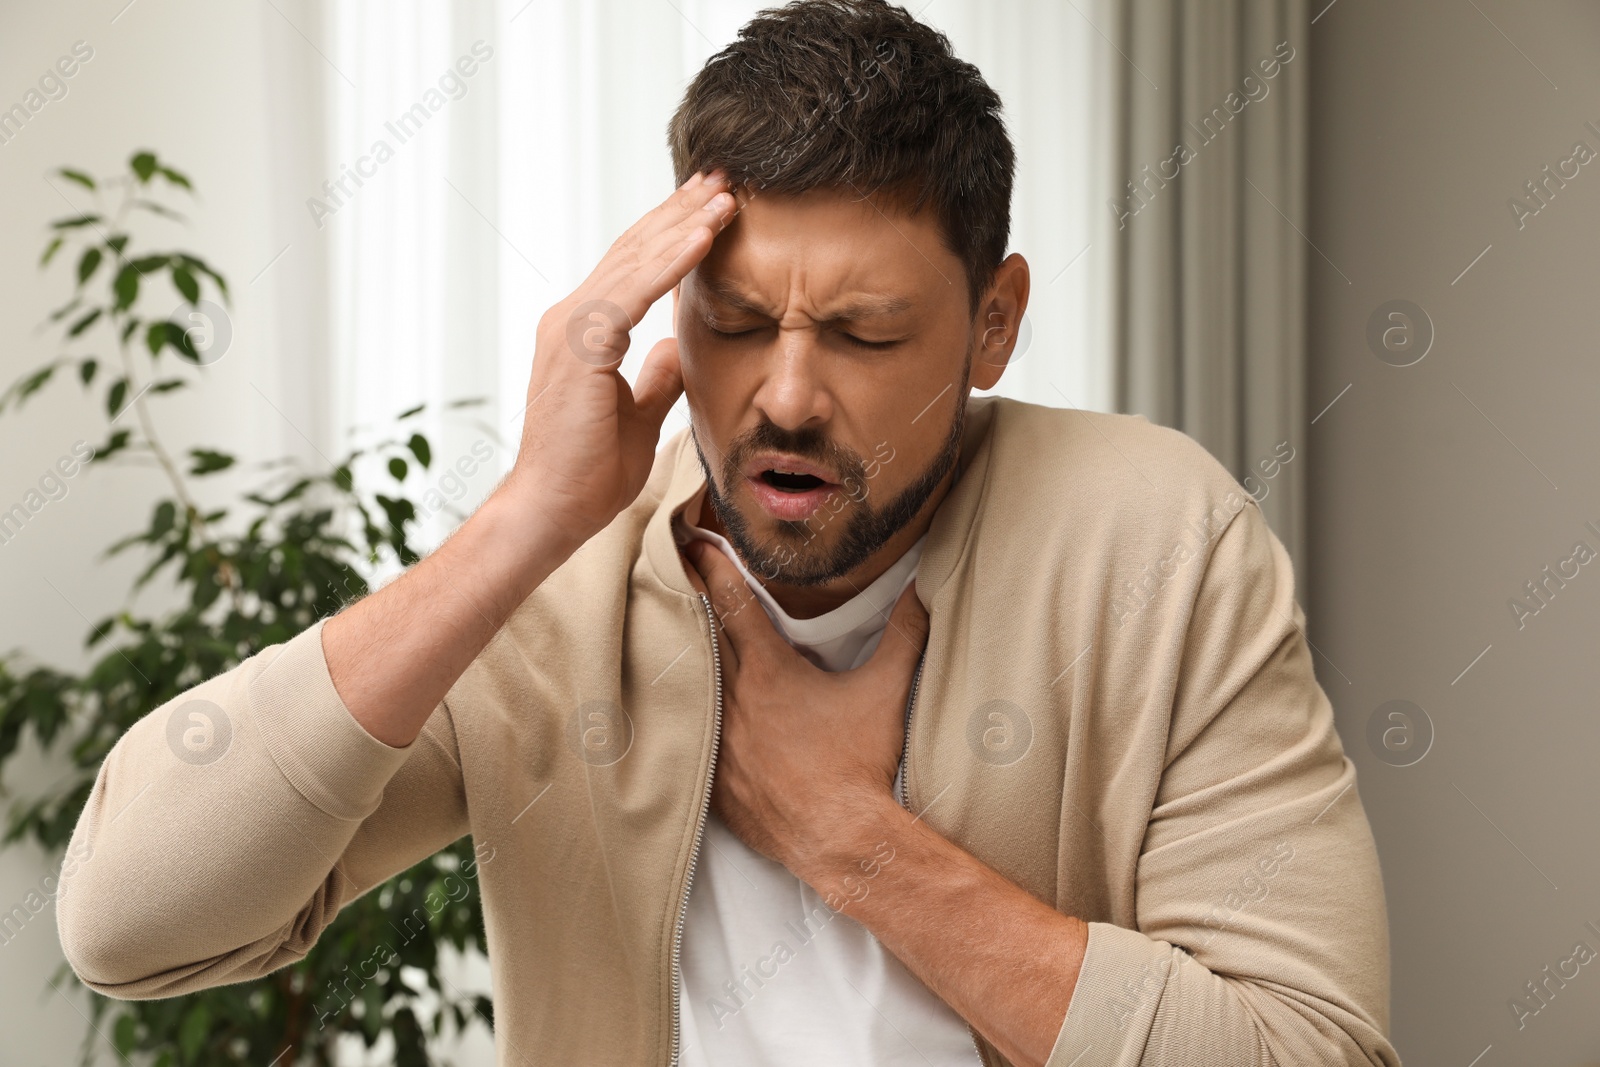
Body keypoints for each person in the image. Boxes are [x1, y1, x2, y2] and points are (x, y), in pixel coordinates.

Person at [56, 2, 1399, 1064]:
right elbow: (128, 923)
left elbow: (1307, 1049)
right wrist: (524, 520)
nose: (790, 396)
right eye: (738, 323)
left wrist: (848, 835)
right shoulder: (566, 570)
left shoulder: (1161, 539)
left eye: (866, 333)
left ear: (994, 320)